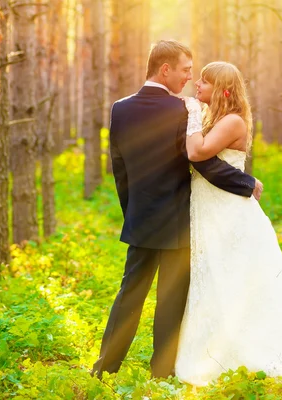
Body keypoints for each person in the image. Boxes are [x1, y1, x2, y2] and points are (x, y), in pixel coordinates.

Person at [91, 41, 263, 379]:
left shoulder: (120, 109)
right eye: (185, 69)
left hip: (142, 218)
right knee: (170, 302)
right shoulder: (183, 110)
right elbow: (202, 164)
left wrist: (134, 212)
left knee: (130, 296)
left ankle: (104, 370)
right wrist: (245, 183)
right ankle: (162, 375)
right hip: (179, 221)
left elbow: (120, 168)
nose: (188, 77)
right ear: (165, 69)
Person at [175, 61, 282, 386]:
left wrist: (188, 115)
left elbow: (197, 152)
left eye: (205, 81)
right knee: (214, 278)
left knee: (235, 278)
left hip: (228, 212)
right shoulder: (214, 119)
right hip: (209, 207)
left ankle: (251, 355)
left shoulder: (231, 121)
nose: (197, 85)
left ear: (223, 90)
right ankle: (216, 354)